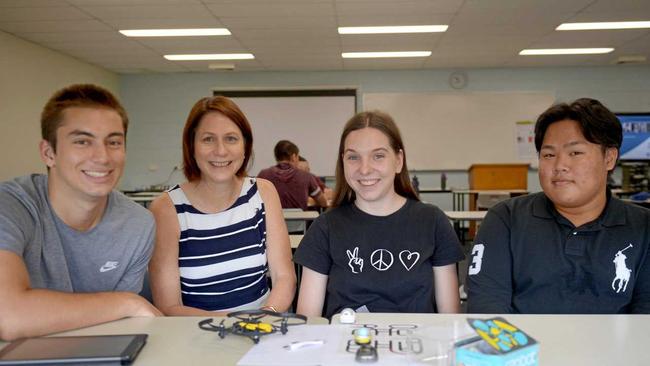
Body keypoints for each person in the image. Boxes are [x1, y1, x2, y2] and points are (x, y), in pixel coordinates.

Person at [0, 84, 160, 341]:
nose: (102, 156)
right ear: (48, 153)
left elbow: (120, 330)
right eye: (83, 141)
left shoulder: (138, 224)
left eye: (114, 142)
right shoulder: (11, 206)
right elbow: (9, 316)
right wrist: (127, 303)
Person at [466, 98, 650, 314]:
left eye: (575, 153)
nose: (560, 165)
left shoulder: (643, 227)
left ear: (609, 158)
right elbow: (488, 306)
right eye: (549, 155)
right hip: (525, 347)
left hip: (617, 347)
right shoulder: (506, 218)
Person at [294, 111, 464, 318]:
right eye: (353, 157)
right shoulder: (325, 227)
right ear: (343, 163)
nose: (365, 169)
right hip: (344, 347)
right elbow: (309, 322)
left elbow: (450, 320)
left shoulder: (433, 221)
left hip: (418, 346)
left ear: (398, 160)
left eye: (378, 156)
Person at [149, 96, 296, 316]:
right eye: (208, 139)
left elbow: (284, 277)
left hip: (263, 327)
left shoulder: (263, 193)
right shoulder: (166, 209)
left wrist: (265, 315)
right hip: (197, 336)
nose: (220, 151)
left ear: (245, 146)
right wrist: (231, 326)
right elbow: (169, 307)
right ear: (191, 146)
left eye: (231, 139)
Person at [257, 140, 328, 210]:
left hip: (271, 220)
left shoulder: (263, 175)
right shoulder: (306, 176)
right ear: (294, 157)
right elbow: (323, 202)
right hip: (300, 220)